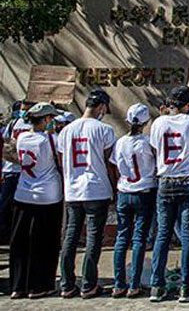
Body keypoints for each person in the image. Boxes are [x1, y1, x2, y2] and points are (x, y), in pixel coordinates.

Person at [149, 86, 189, 303]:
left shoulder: (158, 123)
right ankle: (186, 287)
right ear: (188, 105)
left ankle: (156, 286)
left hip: (165, 182)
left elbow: (154, 147)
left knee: (163, 235)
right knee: (188, 235)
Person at [57, 89, 117, 299]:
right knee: (93, 238)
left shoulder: (66, 131)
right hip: (96, 189)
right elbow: (110, 163)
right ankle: (89, 284)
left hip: (73, 190)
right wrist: (113, 187)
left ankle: (66, 284)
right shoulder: (104, 130)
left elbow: (61, 160)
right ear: (101, 107)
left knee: (71, 237)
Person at [6, 103, 62, 299]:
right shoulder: (51, 140)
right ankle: (39, 285)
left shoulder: (22, 138)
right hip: (47, 195)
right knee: (44, 243)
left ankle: (18, 285)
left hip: (23, 192)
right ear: (46, 120)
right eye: (51, 118)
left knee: (20, 242)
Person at [109, 103, 157, 299]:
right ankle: (134, 284)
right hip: (143, 191)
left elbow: (114, 166)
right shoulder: (147, 142)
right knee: (138, 239)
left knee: (122, 238)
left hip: (124, 190)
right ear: (145, 122)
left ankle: (119, 283)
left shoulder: (120, 142)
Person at [0, 101, 32, 243]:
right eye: (22, 109)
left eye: (26, 109)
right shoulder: (14, 124)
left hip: (26, 173)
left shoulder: (35, 126)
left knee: (22, 207)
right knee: (5, 205)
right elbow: (6, 144)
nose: (23, 112)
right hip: (10, 170)